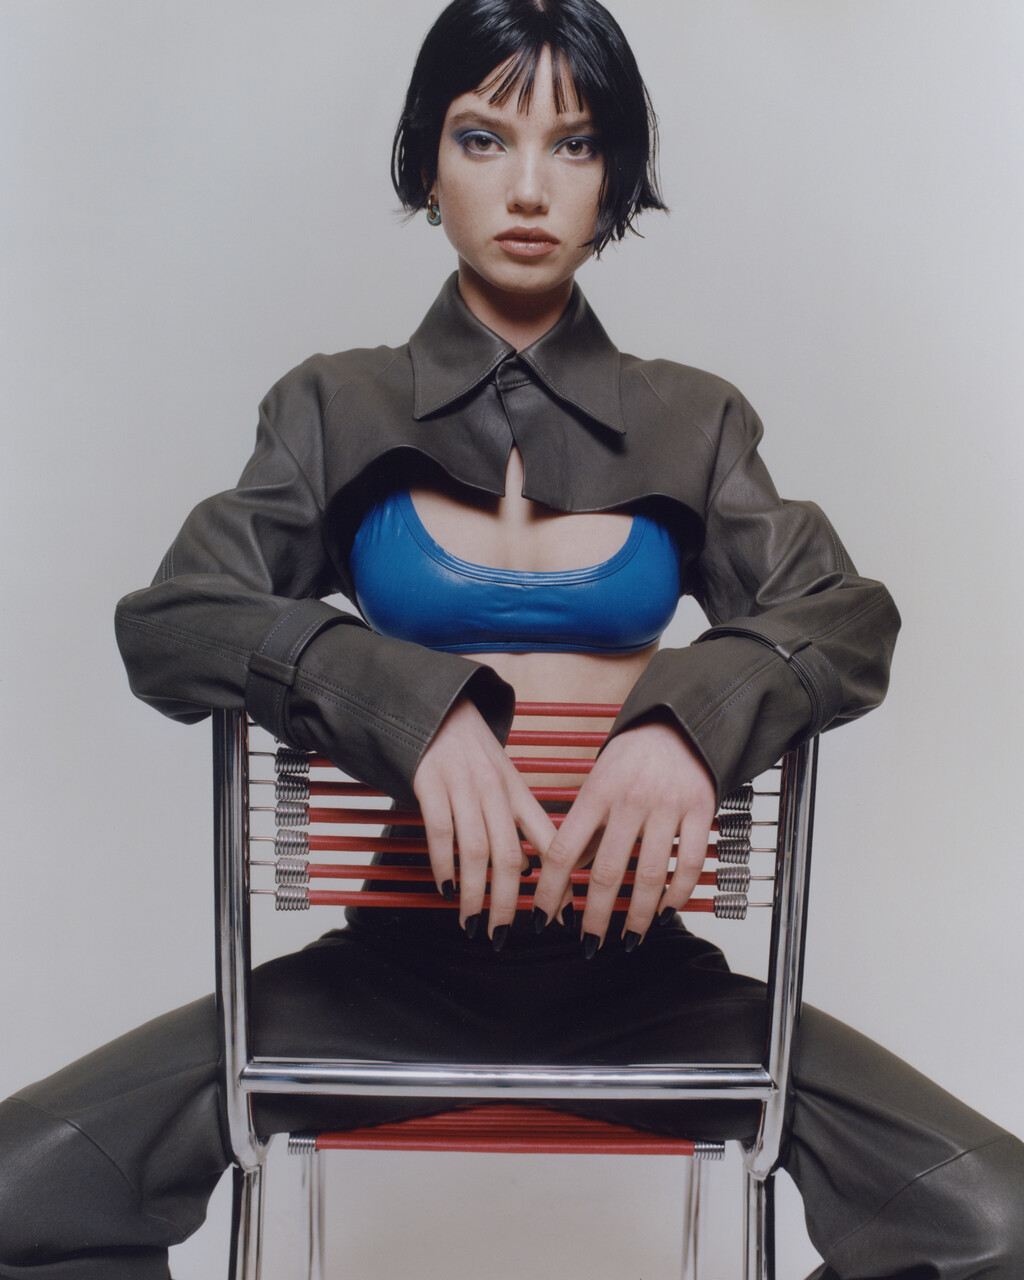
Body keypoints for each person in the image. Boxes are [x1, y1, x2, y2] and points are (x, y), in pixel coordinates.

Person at [0, 1, 1021, 1277]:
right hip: (383, 983)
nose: (529, 187)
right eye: (484, 138)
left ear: (614, 180)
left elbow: (845, 618)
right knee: (17, 1192)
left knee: (998, 1222)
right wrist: (406, 707)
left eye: (574, 144)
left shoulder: (694, 419)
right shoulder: (333, 404)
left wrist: (685, 721)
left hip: (647, 989)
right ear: (426, 163)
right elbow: (174, 621)